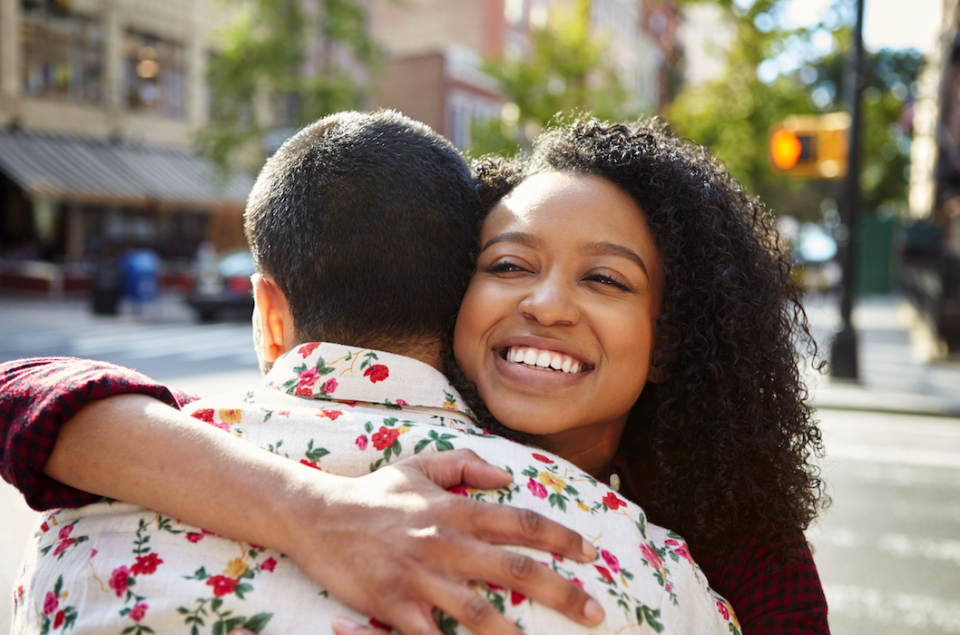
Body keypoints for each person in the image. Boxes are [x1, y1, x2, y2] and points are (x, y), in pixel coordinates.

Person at [3, 116, 830, 634]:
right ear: (452, 295)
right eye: (509, 264)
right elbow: (26, 396)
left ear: (676, 336)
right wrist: (316, 511)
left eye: (605, 278)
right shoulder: (229, 446)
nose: (545, 303)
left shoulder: (731, 545)